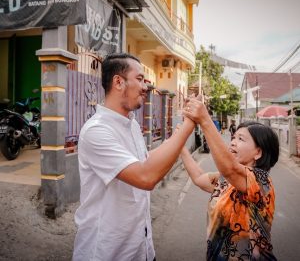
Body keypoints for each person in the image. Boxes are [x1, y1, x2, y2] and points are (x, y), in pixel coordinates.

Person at [72, 53, 195, 261]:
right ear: (118, 82)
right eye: (139, 79)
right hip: (107, 253)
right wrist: (190, 125)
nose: (146, 86)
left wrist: (177, 135)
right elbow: (145, 177)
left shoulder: (132, 124)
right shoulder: (97, 131)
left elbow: (145, 160)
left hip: (142, 249)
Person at [181, 97, 279, 260]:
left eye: (241, 139)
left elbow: (229, 168)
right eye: (233, 137)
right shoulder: (227, 180)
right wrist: (180, 146)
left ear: (258, 153)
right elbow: (199, 178)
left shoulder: (262, 181)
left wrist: (205, 119)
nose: (232, 142)